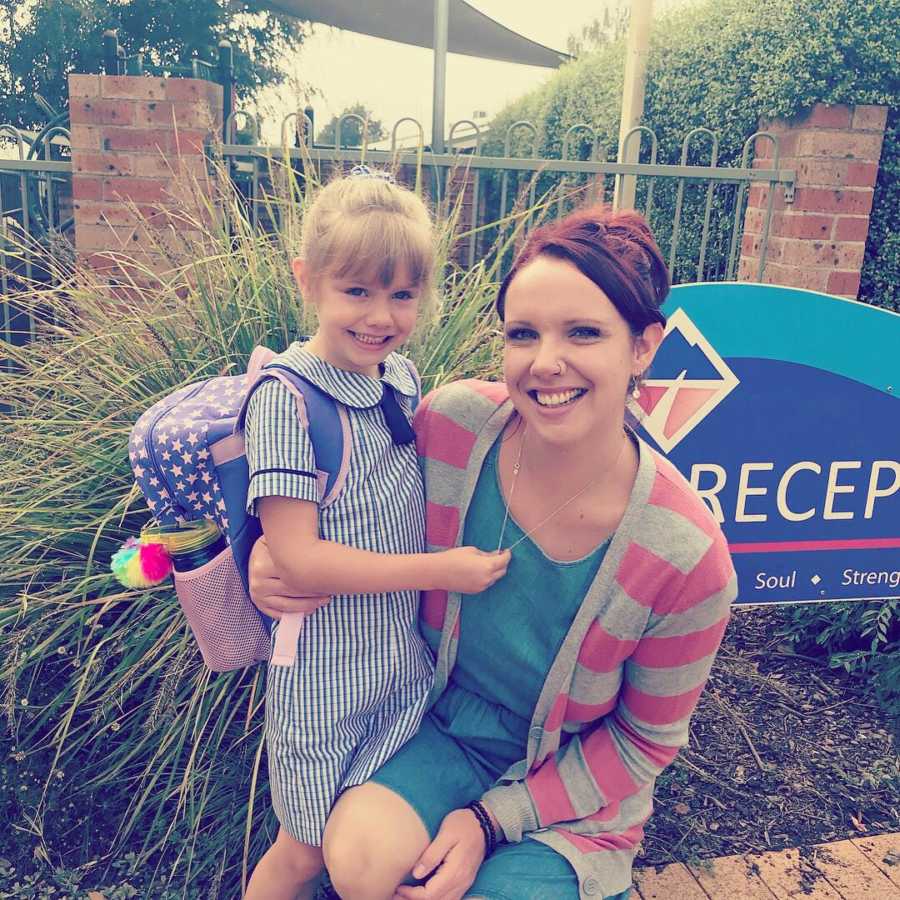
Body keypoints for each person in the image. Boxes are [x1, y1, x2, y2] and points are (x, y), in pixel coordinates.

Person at [249, 205, 737, 900]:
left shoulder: (686, 556)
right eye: (523, 334)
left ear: (642, 347)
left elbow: (643, 744)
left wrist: (489, 820)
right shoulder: (451, 428)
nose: (546, 363)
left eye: (584, 333)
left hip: (571, 788)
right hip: (440, 728)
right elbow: (340, 501)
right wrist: (268, 561)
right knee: (355, 860)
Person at [244, 169, 510, 900]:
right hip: (323, 677)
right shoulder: (287, 400)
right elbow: (296, 554)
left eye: (402, 294)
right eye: (357, 290)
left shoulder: (400, 379)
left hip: (396, 668)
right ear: (308, 280)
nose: (380, 315)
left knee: (355, 841)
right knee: (301, 850)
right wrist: (438, 571)